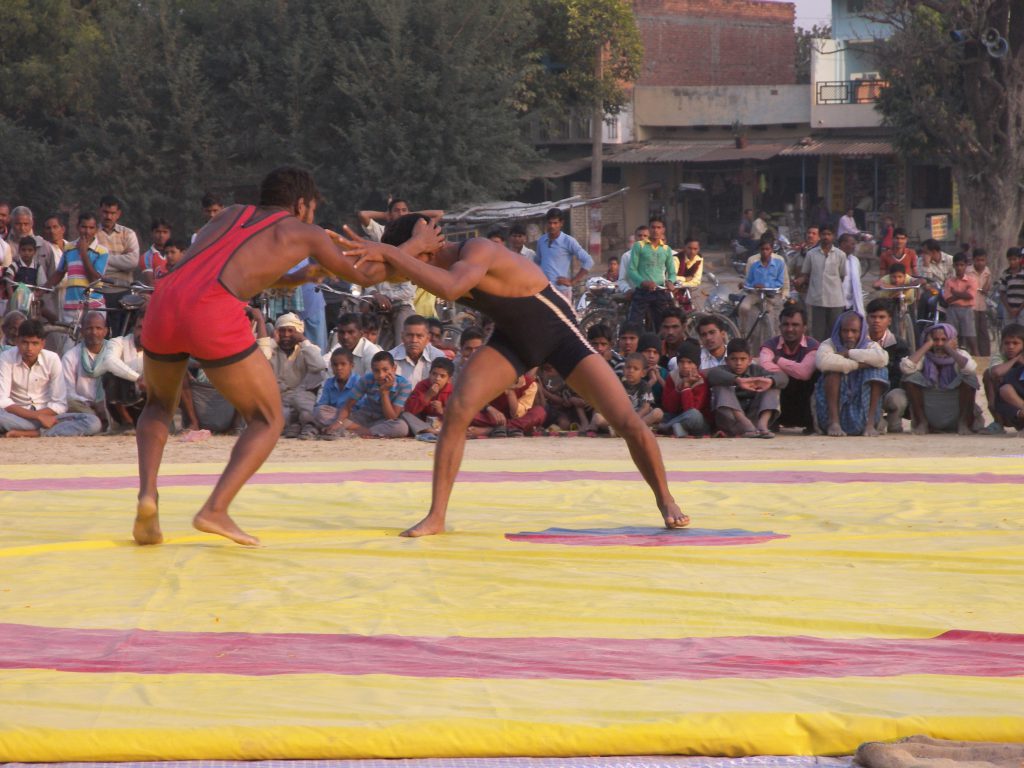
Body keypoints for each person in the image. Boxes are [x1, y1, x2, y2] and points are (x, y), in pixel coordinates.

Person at [338, 214, 686, 535]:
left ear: (424, 249)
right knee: (459, 409)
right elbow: (374, 272)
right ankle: (437, 516)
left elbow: (451, 288)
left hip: (559, 333)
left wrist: (396, 251)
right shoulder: (423, 260)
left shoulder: (478, 249)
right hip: (513, 339)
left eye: (408, 258)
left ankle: (665, 498)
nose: (402, 275)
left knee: (625, 419)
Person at [135, 166, 408, 547]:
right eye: (311, 209)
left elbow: (232, 269)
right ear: (301, 205)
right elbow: (365, 276)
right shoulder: (306, 231)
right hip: (211, 310)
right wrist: (408, 248)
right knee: (267, 418)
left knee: (158, 405)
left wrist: (295, 278)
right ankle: (215, 509)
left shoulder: (229, 213)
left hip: (165, 301)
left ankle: (148, 495)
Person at [0, 319, 102, 438]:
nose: (29, 348)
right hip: (17, 416)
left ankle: (35, 433)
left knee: (93, 422)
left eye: (34, 343)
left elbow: (59, 404)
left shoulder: (52, 359)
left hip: (48, 417)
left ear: (43, 344)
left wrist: (43, 417)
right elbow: (3, 400)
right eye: (25, 342)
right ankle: (39, 430)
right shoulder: (6, 358)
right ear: (17, 341)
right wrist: (37, 417)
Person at [813, 310, 888, 437]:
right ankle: (834, 423)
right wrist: (857, 365)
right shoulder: (829, 344)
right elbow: (823, 362)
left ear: (861, 331)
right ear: (839, 330)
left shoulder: (869, 345)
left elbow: (882, 359)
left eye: (854, 331)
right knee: (833, 371)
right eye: (845, 331)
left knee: (879, 371)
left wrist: (848, 353)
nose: (849, 335)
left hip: (861, 412)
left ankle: (870, 425)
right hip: (833, 411)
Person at [900, 323, 981, 435]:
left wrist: (950, 350)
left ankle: (964, 423)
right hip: (931, 410)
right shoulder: (925, 356)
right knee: (910, 378)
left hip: (955, 409)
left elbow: (969, 369)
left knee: (969, 378)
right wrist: (927, 345)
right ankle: (922, 422)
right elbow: (906, 367)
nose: (939, 344)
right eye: (935, 339)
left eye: (944, 340)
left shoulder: (961, 355)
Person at [258, 311, 327, 440]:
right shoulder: (271, 350)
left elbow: (319, 366)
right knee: (275, 418)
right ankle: (296, 425)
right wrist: (273, 342)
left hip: (301, 397)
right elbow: (257, 362)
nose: (286, 335)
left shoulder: (307, 348)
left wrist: (303, 340)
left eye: (291, 331)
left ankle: (304, 426)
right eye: (282, 331)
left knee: (306, 409)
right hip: (279, 399)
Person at [705, 338, 786, 438]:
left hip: (755, 420)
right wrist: (737, 380)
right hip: (732, 422)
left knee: (772, 385)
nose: (738, 363)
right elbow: (712, 374)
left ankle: (763, 425)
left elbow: (783, 377)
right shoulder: (722, 370)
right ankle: (746, 425)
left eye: (743, 359)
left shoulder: (756, 370)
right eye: (734, 359)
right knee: (721, 387)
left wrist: (770, 381)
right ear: (727, 360)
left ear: (750, 360)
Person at [759, 304, 818, 433]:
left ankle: (812, 422)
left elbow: (805, 373)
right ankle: (772, 420)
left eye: (795, 325)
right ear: (780, 327)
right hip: (780, 399)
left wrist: (778, 360)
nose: (790, 329)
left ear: (804, 328)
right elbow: (765, 366)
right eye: (785, 324)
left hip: (804, 402)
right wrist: (789, 371)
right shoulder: (769, 345)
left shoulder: (813, 345)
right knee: (770, 379)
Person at [44, 213, 109, 322]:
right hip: (72, 306)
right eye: (84, 227)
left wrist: (83, 253)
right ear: (78, 227)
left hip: (94, 306)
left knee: (92, 337)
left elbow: (94, 279)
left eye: (91, 228)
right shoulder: (69, 248)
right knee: (70, 338)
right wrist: (42, 290)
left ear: (96, 229)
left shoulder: (102, 251)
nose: (87, 231)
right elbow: (59, 273)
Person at [333, 350, 411, 437]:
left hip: (383, 422)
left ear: (394, 369)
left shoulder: (404, 385)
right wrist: (338, 422)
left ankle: (359, 431)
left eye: (385, 370)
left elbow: (392, 418)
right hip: (363, 418)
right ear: (372, 370)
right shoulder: (367, 379)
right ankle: (363, 431)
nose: (381, 375)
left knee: (401, 427)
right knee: (321, 412)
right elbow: (348, 406)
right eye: (376, 371)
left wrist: (384, 393)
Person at [864, 299, 911, 434]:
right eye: (873, 317)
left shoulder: (899, 344)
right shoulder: (859, 342)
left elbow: (901, 374)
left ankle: (893, 421)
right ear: (867, 319)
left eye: (881, 317)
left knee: (897, 398)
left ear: (889, 320)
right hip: (865, 392)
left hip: (889, 391)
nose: (876, 321)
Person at [96, 195, 141, 331]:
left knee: (123, 334)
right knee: (99, 332)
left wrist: (103, 258)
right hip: (99, 292)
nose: (108, 216)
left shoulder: (128, 234)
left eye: (112, 213)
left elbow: (132, 262)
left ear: (118, 214)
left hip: (124, 292)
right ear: (100, 211)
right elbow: (90, 263)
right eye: (105, 212)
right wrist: (120, 261)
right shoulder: (92, 234)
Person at [796, 225, 847, 342]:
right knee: (818, 334)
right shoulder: (811, 254)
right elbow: (805, 273)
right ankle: (817, 357)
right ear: (820, 236)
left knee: (834, 332)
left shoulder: (840, 255)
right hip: (817, 299)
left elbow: (842, 276)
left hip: (835, 300)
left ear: (833, 237)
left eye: (829, 234)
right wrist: (800, 281)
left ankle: (833, 358)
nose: (826, 237)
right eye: (823, 234)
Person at [592, 353, 663, 432]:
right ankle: (626, 430)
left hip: (639, 418)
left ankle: (624, 430)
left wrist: (633, 420)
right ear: (623, 369)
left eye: (635, 369)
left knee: (658, 412)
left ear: (643, 373)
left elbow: (645, 408)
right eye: (628, 367)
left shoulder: (645, 386)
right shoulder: (619, 385)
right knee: (597, 417)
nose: (631, 371)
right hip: (622, 419)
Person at [739, 235, 787, 350]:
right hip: (756, 294)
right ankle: (743, 332)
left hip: (771, 295)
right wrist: (746, 285)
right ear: (759, 250)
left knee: (771, 322)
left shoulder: (779, 263)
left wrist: (766, 286)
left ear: (772, 250)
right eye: (762, 249)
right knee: (743, 307)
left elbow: (780, 282)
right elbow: (749, 281)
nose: (765, 252)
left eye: (767, 249)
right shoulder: (755, 265)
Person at [626, 216, 676, 327]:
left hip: (660, 291)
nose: (656, 230)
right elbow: (631, 270)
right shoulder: (639, 246)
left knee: (662, 325)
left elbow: (672, 272)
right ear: (649, 229)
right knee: (634, 325)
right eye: (653, 227)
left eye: (659, 227)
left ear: (663, 230)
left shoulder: (666, 249)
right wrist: (643, 282)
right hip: (642, 291)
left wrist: (670, 281)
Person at [535, 207, 592, 300]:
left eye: (555, 223)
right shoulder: (541, 240)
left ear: (561, 223)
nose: (552, 226)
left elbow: (588, 261)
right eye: (550, 223)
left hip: (561, 291)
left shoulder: (568, 241)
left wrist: (573, 281)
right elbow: (537, 262)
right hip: (544, 290)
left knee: (562, 315)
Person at [469, 370, 546, 437]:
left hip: (517, 420)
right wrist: (489, 408)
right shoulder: (491, 377)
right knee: (465, 413)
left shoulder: (531, 384)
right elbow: (473, 399)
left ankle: (491, 430)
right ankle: (509, 429)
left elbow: (517, 415)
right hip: (490, 417)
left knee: (540, 412)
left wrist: (510, 391)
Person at [660, 339, 710, 437]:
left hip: (697, 422)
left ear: (697, 364)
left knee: (694, 415)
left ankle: (665, 427)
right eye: (682, 362)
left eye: (690, 362)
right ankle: (677, 428)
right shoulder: (673, 376)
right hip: (677, 417)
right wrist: (679, 388)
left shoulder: (701, 380)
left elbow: (690, 409)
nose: (685, 366)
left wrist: (686, 386)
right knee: (663, 415)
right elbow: (668, 407)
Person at [981, 323, 1024, 433]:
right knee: (988, 374)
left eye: (1015, 343)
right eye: (1007, 343)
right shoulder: (1000, 356)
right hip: (1006, 406)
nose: (1011, 347)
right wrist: (1015, 359)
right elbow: (996, 372)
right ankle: (998, 422)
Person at [403, 357, 455, 439]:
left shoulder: (452, 391)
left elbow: (455, 415)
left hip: (442, 425)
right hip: (423, 423)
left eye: (442, 376)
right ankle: (429, 431)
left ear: (449, 379)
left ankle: (432, 432)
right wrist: (428, 396)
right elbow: (410, 409)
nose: (437, 379)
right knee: (404, 414)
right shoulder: (422, 385)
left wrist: (442, 410)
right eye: (434, 374)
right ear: (429, 374)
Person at [389, 314, 447, 387]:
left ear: (428, 338)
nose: (414, 340)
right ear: (402, 336)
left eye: (419, 336)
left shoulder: (438, 357)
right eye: (409, 335)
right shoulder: (390, 358)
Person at [314, 347, 356, 439]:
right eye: (335, 365)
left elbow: (360, 408)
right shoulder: (329, 382)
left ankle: (337, 428)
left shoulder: (358, 382)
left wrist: (340, 420)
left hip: (353, 416)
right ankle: (340, 429)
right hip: (335, 415)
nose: (339, 368)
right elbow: (323, 405)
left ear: (351, 365)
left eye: (343, 364)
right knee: (318, 411)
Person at [323, 312, 382, 377]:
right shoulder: (339, 348)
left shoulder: (371, 353)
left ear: (361, 333)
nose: (345, 337)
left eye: (350, 332)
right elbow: (328, 379)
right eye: (342, 332)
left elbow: (371, 384)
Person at [942, 253, 979, 356]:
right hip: (952, 310)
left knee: (971, 336)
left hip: (967, 310)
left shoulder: (972, 280)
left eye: (962, 265)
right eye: (957, 265)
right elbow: (948, 300)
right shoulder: (949, 281)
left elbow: (970, 296)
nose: (959, 268)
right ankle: (952, 358)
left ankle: (978, 359)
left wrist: (956, 293)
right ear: (953, 265)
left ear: (966, 265)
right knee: (951, 336)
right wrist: (962, 294)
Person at [967, 248, 992, 357]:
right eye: (978, 260)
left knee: (983, 332)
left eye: (983, 260)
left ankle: (985, 356)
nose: (980, 263)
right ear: (973, 260)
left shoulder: (987, 271)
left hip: (982, 305)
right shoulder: (968, 270)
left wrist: (985, 289)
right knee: (973, 332)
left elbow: (987, 287)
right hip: (970, 305)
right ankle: (974, 355)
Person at [837, 232, 865, 317]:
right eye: (852, 244)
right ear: (843, 244)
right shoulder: (834, 259)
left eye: (854, 244)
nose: (854, 246)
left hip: (850, 303)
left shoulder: (855, 260)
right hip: (836, 302)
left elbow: (857, 281)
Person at [139, 218, 172, 284]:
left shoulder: (178, 254)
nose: (161, 235)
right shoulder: (146, 257)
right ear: (152, 233)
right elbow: (151, 284)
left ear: (170, 234)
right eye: (158, 232)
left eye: (165, 232)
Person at [999, 247, 1024, 329]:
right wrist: (1009, 309)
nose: (1012, 262)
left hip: (1022, 309)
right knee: (1009, 330)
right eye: (1010, 260)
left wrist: (1019, 309)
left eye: (1014, 259)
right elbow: (1002, 293)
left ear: (1020, 259)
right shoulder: (1006, 274)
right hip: (1009, 309)